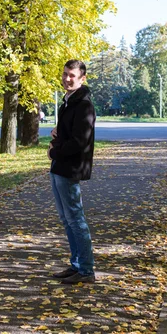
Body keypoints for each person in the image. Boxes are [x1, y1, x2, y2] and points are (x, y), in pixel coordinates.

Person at [48, 59, 96, 284]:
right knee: (67, 219)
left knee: (76, 219)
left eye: (72, 76)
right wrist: (57, 134)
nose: (67, 79)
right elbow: (68, 134)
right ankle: (76, 264)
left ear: (82, 78)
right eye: (65, 74)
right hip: (59, 168)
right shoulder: (68, 102)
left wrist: (55, 152)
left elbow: (80, 142)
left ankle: (86, 270)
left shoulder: (83, 105)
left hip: (69, 169)